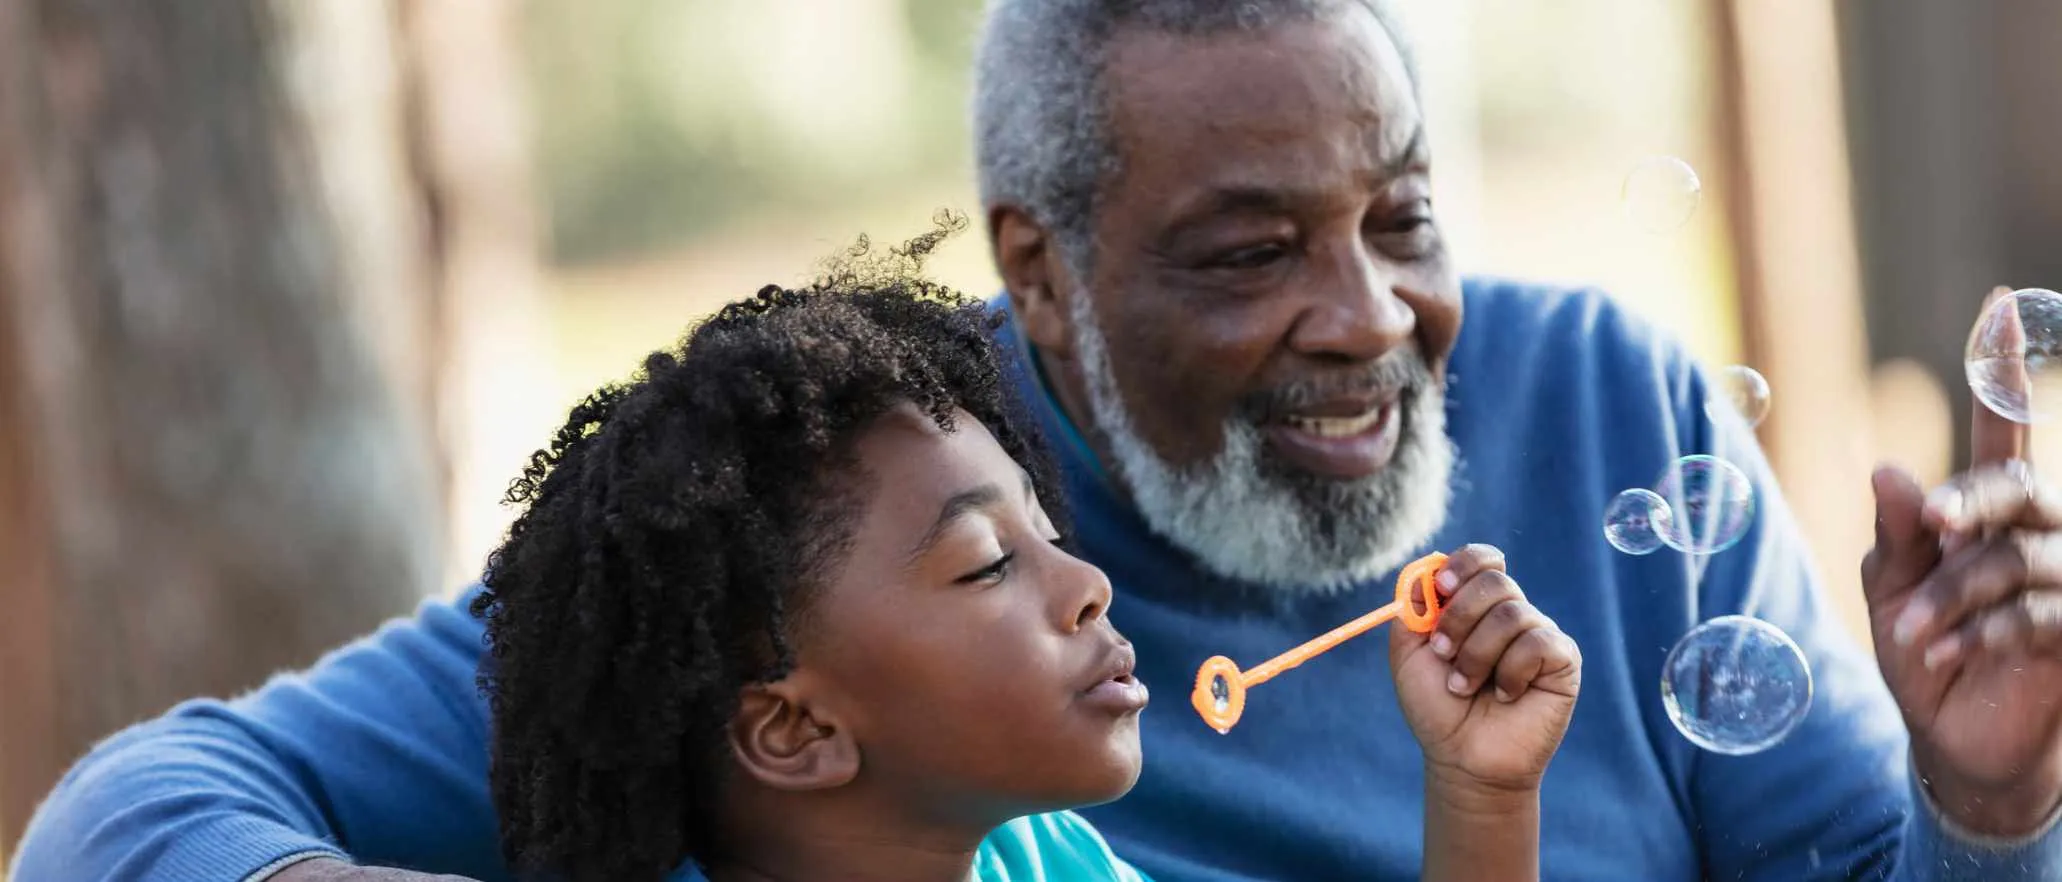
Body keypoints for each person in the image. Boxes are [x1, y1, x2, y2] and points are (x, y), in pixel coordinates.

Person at [12, 0, 2062, 880]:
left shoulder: (1600, 401)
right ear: (1044, 272)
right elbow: (131, 812)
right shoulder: (829, 520)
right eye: (1247, 250)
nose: (1361, 322)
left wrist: (1982, 801)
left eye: (1403, 217)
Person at [462, 263, 1579, 882]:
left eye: (1046, 531)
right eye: (990, 562)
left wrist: (1482, 792)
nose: (1083, 585)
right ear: (794, 731)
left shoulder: (1042, 861)